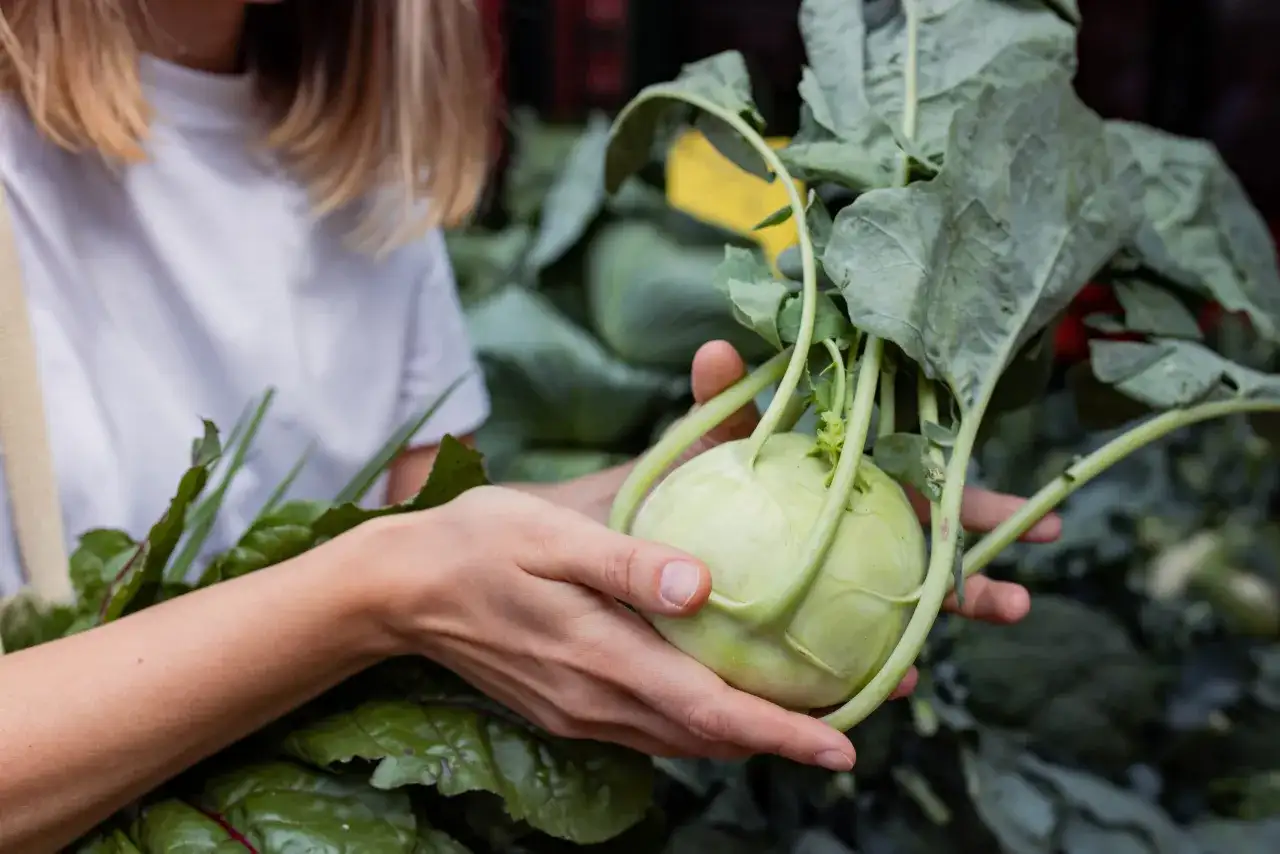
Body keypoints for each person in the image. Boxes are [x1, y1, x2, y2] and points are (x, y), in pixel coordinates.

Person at [0, 1, 1060, 851]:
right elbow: (395, 569)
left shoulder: (369, 168)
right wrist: (383, 591)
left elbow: (423, 530)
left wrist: (623, 516)